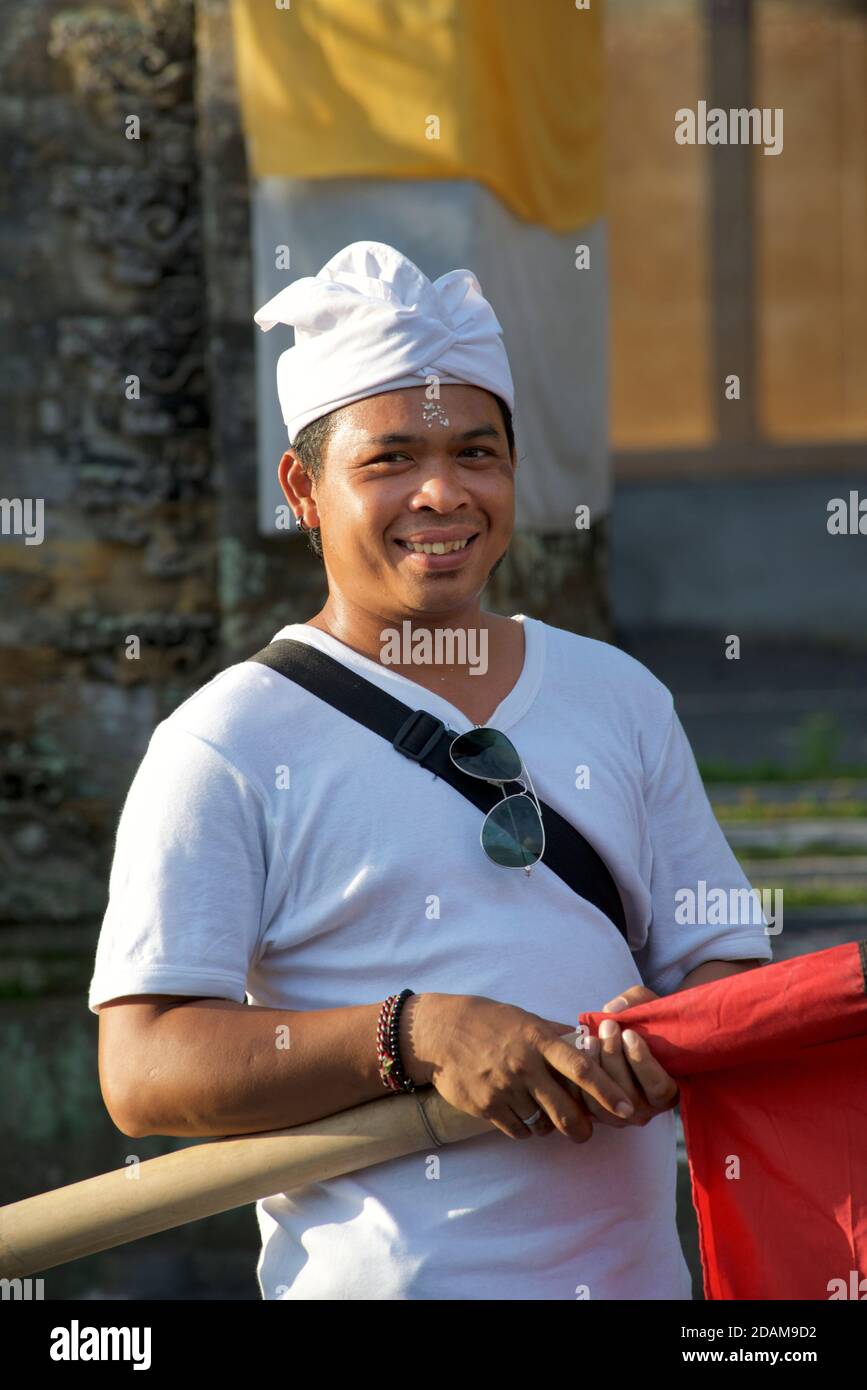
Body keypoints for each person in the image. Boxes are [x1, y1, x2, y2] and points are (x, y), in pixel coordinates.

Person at [89, 241, 772, 1301]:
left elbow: (723, 964)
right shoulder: (223, 744)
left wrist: (672, 1032)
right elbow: (141, 1071)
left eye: (477, 452)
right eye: (391, 459)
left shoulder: (617, 696)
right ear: (303, 489)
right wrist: (414, 1035)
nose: (443, 493)